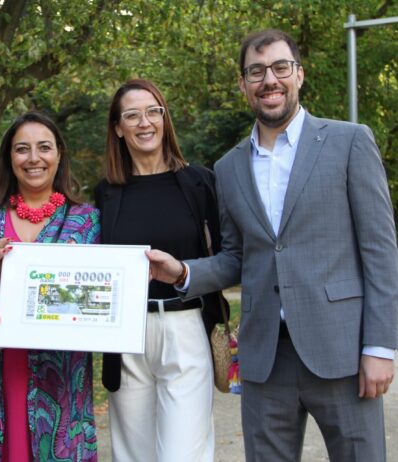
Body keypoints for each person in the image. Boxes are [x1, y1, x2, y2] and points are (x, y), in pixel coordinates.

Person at [147, 29, 398, 461]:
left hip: (341, 351)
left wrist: (380, 347)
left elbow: (380, 250)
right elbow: (238, 257)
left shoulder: (349, 141)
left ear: (299, 75)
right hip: (265, 358)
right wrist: (184, 273)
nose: (270, 80)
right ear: (243, 85)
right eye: (256, 71)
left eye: (281, 67)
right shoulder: (228, 167)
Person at [0, 110, 100, 461]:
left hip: (61, 374)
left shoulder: (86, 221)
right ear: (8, 157)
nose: (34, 158)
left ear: (59, 154)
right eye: (22, 149)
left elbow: (101, 300)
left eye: (44, 147)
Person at [95, 79, 226, 462]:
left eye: (153, 111)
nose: (144, 122)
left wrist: (184, 271)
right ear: (118, 128)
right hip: (126, 334)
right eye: (132, 115)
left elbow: (228, 259)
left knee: (183, 455)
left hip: (185, 327)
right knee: (132, 455)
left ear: (165, 118)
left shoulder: (199, 182)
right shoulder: (106, 193)